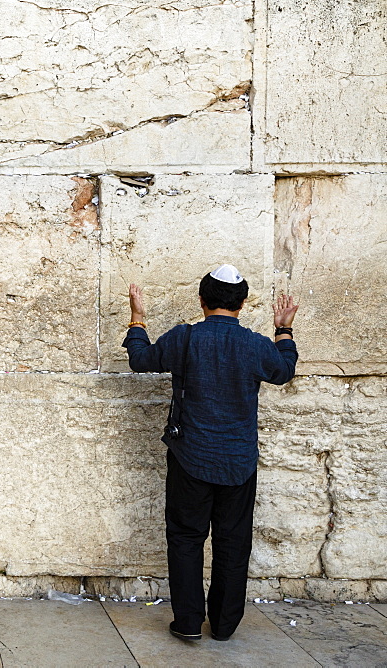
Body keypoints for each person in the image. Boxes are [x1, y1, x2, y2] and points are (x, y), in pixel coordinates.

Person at [123, 264, 299, 642]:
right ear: (243, 304)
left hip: (191, 458)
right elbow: (284, 371)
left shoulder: (184, 339)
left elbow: (140, 359)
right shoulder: (254, 345)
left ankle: (187, 622)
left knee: (186, 538)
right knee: (233, 542)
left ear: (201, 300)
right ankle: (223, 625)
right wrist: (283, 329)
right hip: (238, 462)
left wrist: (137, 318)